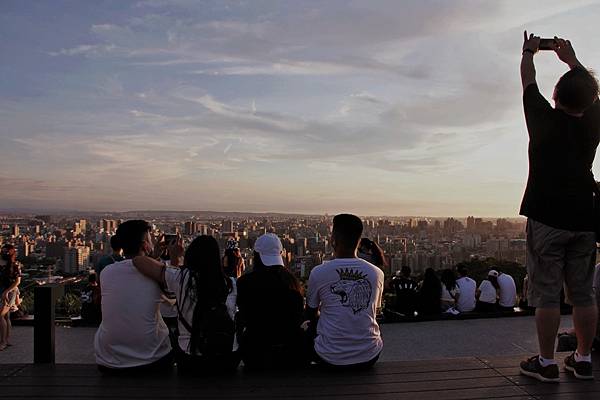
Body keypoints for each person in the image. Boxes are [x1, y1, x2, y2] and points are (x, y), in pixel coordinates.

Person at [519, 32, 600, 382]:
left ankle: (547, 362)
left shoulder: (542, 119)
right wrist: (572, 60)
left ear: (554, 96)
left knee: (547, 294)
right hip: (585, 214)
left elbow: (527, 79)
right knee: (583, 293)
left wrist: (529, 50)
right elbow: (591, 91)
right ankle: (582, 359)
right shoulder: (594, 122)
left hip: (546, 216)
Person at [133, 235, 239, 374]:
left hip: (191, 361)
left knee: (168, 335)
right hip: (227, 361)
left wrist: (171, 255)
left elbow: (138, 261)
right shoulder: (231, 284)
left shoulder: (182, 278)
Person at [306, 214, 384, 369]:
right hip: (370, 355)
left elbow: (310, 314)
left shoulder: (319, 272)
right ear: (359, 240)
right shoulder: (376, 273)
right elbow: (374, 311)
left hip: (329, 358)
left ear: (333, 239)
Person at [94, 220, 172, 373]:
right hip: (152, 360)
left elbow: (133, 275)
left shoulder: (107, 273)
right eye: (150, 239)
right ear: (145, 245)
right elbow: (174, 300)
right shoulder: (157, 276)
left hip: (108, 361)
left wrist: (153, 260)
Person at [236, 233, 307, 370]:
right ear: (280, 254)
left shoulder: (245, 283)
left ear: (256, 255)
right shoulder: (293, 283)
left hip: (256, 356)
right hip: (290, 355)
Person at [0, 244, 21, 351]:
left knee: (1, 315)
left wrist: (6, 292)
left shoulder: (15, 265)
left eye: (6, 251)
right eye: (2, 250)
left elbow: (17, 281)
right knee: (6, 316)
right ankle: (6, 340)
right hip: (1, 290)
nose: (4, 253)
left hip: (10, 291)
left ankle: (2, 342)